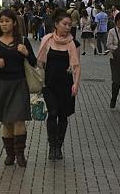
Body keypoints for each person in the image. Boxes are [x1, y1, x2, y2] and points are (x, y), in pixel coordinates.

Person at [0, 9, 36, 167]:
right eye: (1, 21)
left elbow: (33, 62)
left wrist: (26, 52)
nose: (4, 24)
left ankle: (20, 154)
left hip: (19, 83)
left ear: (14, 22)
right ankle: (10, 155)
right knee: (6, 121)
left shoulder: (22, 40)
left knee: (19, 120)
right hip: (2, 83)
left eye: (7, 21)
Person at [38, 9, 81, 160]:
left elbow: (76, 66)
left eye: (70, 24)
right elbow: (40, 62)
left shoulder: (72, 43)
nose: (68, 27)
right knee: (53, 112)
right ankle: (52, 145)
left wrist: (76, 83)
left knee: (63, 116)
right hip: (49, 84)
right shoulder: (47, 40)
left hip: (66, 85)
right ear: (56, 24)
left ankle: (59, 146)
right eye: (65, 24)